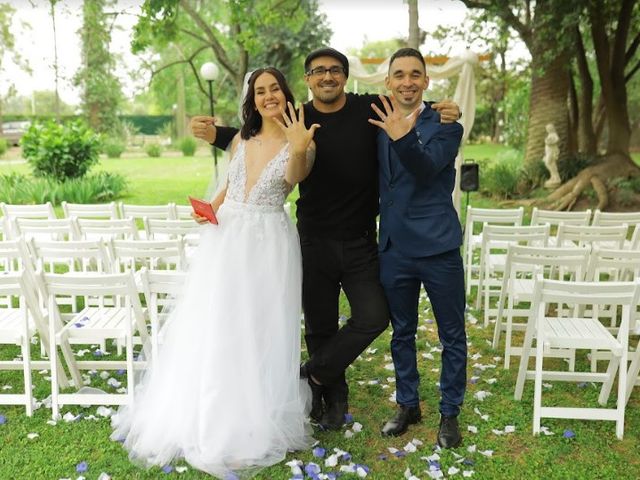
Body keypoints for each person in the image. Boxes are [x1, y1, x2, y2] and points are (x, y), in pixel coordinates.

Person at [191, 47, 461, 431]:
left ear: (345, 77)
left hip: (360, 241)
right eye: (318, 71)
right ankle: (331, 400)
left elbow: (410, 96)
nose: (327, 77)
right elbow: (256, 137)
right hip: (313, 239)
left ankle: (312, 373)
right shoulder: (295, 116)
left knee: (374, 316)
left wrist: (445, 109)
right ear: (308, 80)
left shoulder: (371, 108)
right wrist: (214, 133)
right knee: (320, 326)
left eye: (335, 70)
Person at [111, 67, 317, 478]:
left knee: (259, 327)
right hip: (227, 240)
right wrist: (211, 209)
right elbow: (228, 185)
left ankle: (251, 415)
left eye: (275, 88)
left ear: (286, 93)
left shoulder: (302, 139)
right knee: (219, 323)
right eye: (260, 91)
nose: (268, 96)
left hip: (270, 242)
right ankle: (210, 410)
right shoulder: (241, 138)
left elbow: (295, 178)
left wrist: (297, 148)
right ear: (252, 99)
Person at [368, 48, 466, 448]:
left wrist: (402, 135)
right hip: (394, 247)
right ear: (388, 82)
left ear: (426, 81)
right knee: (401, 332)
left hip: (438, 247)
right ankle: (408, 404)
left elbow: (426, 168)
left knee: (452, 334)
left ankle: (449, 414)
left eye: (415, 74)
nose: (407, 81)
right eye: (399, 75)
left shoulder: (446, 125)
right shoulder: (374, 120)